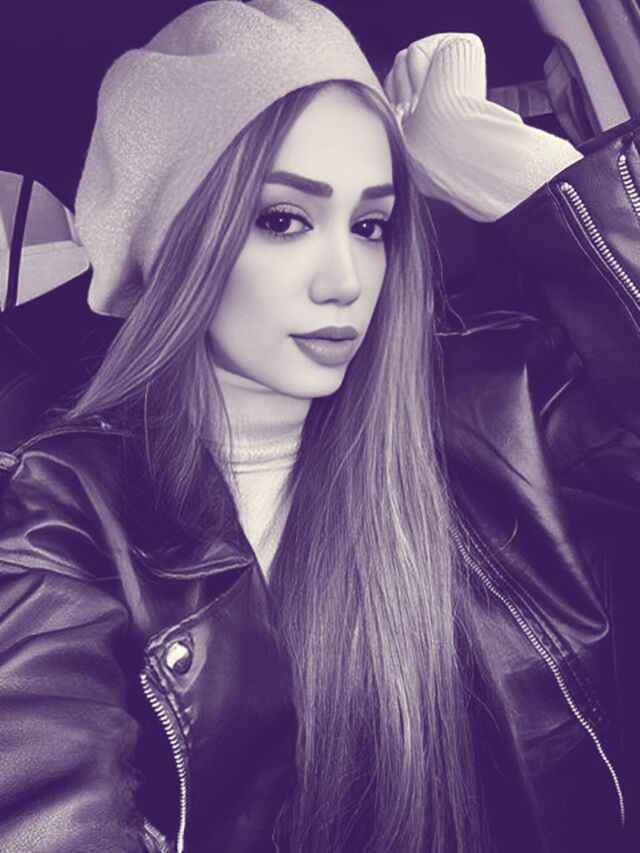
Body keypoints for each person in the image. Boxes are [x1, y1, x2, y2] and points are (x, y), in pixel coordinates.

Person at [0, 1, 638, 851]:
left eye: (371, 225)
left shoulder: (495, 410)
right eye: (283, 219)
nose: (346, 279)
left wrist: (538, 181)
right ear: (172, 242)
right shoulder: (59, 511)